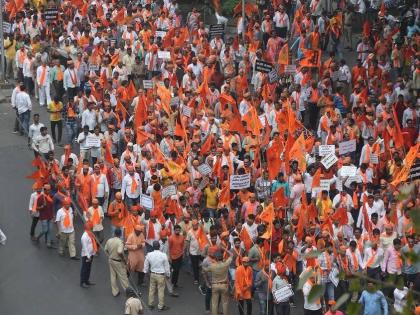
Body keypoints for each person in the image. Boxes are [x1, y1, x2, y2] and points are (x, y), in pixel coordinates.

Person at [202, 249, 232, 315]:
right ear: (222, 258)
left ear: (215, 258)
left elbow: (205, 270)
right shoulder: (226, 264)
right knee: (225, 303)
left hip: (215, 285)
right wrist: (225, 249)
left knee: (214, 303)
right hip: (224, 285)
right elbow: (231, 255)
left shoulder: (212, 266)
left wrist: (202, 265)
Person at [144, 240, 171, 311]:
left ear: (153, 247)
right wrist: (168, 274)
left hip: (152, 274)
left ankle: (150, 304)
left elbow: (146, 265)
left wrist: (146, 272)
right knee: (160, 290)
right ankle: (160, 306)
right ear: (159, 246)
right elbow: (167, 266)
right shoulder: (163, 255)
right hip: (161, 275)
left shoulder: (149, 254)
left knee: (151, 290)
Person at [104, 228, 129, 296]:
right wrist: (123, 259)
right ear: (120, 234)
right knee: (123, 276)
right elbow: (120, 251)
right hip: (118, 261)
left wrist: (109, 255)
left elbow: (105, 249)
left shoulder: (109, 240)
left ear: (114, 233)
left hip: (111, 260)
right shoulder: (120, 242)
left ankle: (115, 292)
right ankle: (128, 291)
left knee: (113, 276)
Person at [80, 221, 98, 288]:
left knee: (88, 268)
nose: (92, 228)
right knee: (84, 268)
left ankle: (87, 280)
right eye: (91, 227)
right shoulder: (84, 237)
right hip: (86, 255)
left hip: (91, 254)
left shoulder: (90, 234)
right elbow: (85, 248)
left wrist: (93, 253)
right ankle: (82, 282)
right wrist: (88, 256)